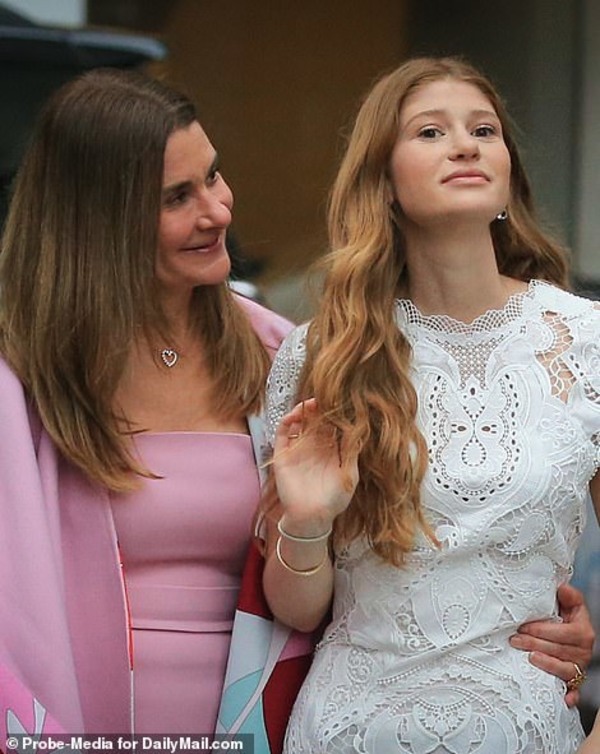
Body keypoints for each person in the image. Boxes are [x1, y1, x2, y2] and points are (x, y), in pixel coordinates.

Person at [261, 56, 600, 753]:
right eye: (430, 132)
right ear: (383, 183)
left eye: (483, 130)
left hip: (529, 734)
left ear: (507, 174)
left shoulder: (586, 343)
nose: (465, 145)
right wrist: (307, 521)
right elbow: (296, 611)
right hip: (347, 730)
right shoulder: (319, 353)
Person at [0, 68, 294, 737]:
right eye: (177, 197)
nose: (218, 212)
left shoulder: (282, 356)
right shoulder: (18, 383)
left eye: (213, 176)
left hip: (263, 729)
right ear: (98, 221)